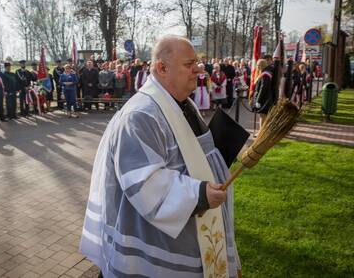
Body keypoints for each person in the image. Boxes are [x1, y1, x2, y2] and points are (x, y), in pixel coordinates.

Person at [80, 35, 241, 278]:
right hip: (160, 240)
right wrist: (197, 193)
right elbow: (143, 182)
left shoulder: (182, 103)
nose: (199, 69)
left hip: (191, 228)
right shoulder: (141, 115)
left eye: (197, 62)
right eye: (189, 64)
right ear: (162, 68)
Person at [252, 59, 273, 129]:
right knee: (263, 116)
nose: (257, 67)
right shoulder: (264, 73)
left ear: (262, 65)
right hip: (264, 98)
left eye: (258, 65)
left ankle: (261, 131)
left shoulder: (265, 74)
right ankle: (262, 131)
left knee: (262, 116)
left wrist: (258, 100)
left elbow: (263, 88)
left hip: (264, 99)